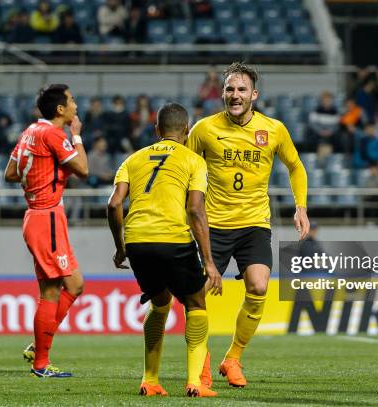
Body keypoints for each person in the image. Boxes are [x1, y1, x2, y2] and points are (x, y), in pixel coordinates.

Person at [187, 62, 310, 388]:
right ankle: (201, 363)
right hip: (213, 225)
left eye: (241, 89)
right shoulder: (203, 130)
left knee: (258, 286)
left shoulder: (273, 129)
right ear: (222, 93)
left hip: (254, 223)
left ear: (254, 94)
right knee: (196, 295)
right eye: (230, 89)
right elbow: (184, 171)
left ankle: (233, 358)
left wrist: (301, 206)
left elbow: (296, 166)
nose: (235, 95)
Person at [107, 103, 221, 397]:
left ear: (156, 130)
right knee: (196, 303)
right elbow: (195, 211)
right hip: (172, 238)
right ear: (187, 129)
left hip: (137, 241)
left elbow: (114, 203)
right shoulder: (194, 161)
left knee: (160, 303)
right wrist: (209, 262)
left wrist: (121, 248)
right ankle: (195, 381)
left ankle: (151, 380)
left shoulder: (132, 160)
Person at [3, 84, 89, 377]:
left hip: (39, 216)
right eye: (72, 99)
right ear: (61, 109)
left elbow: (10, 173)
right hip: (47, 217)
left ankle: (38, 348)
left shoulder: (30, 131)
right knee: (54, 291)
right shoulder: (54, 134)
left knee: (73, 286)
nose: (76, 104)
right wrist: (76, 135)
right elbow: (83, 168)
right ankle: (41, 361)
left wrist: (46, 174)